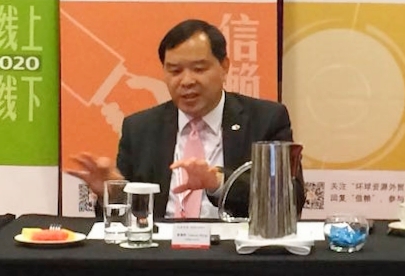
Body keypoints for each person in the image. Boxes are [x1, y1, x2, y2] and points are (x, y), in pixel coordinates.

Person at [67, 19, 305, 219]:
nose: (187, 81)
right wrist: (113, 192)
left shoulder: (265, 119)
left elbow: (290, 199)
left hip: (233, 252)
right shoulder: (140, 128)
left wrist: (219, 182)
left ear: (224, 66)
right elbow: (125, 223)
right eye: (175, 71)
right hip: (160, 253)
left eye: (199, 69)